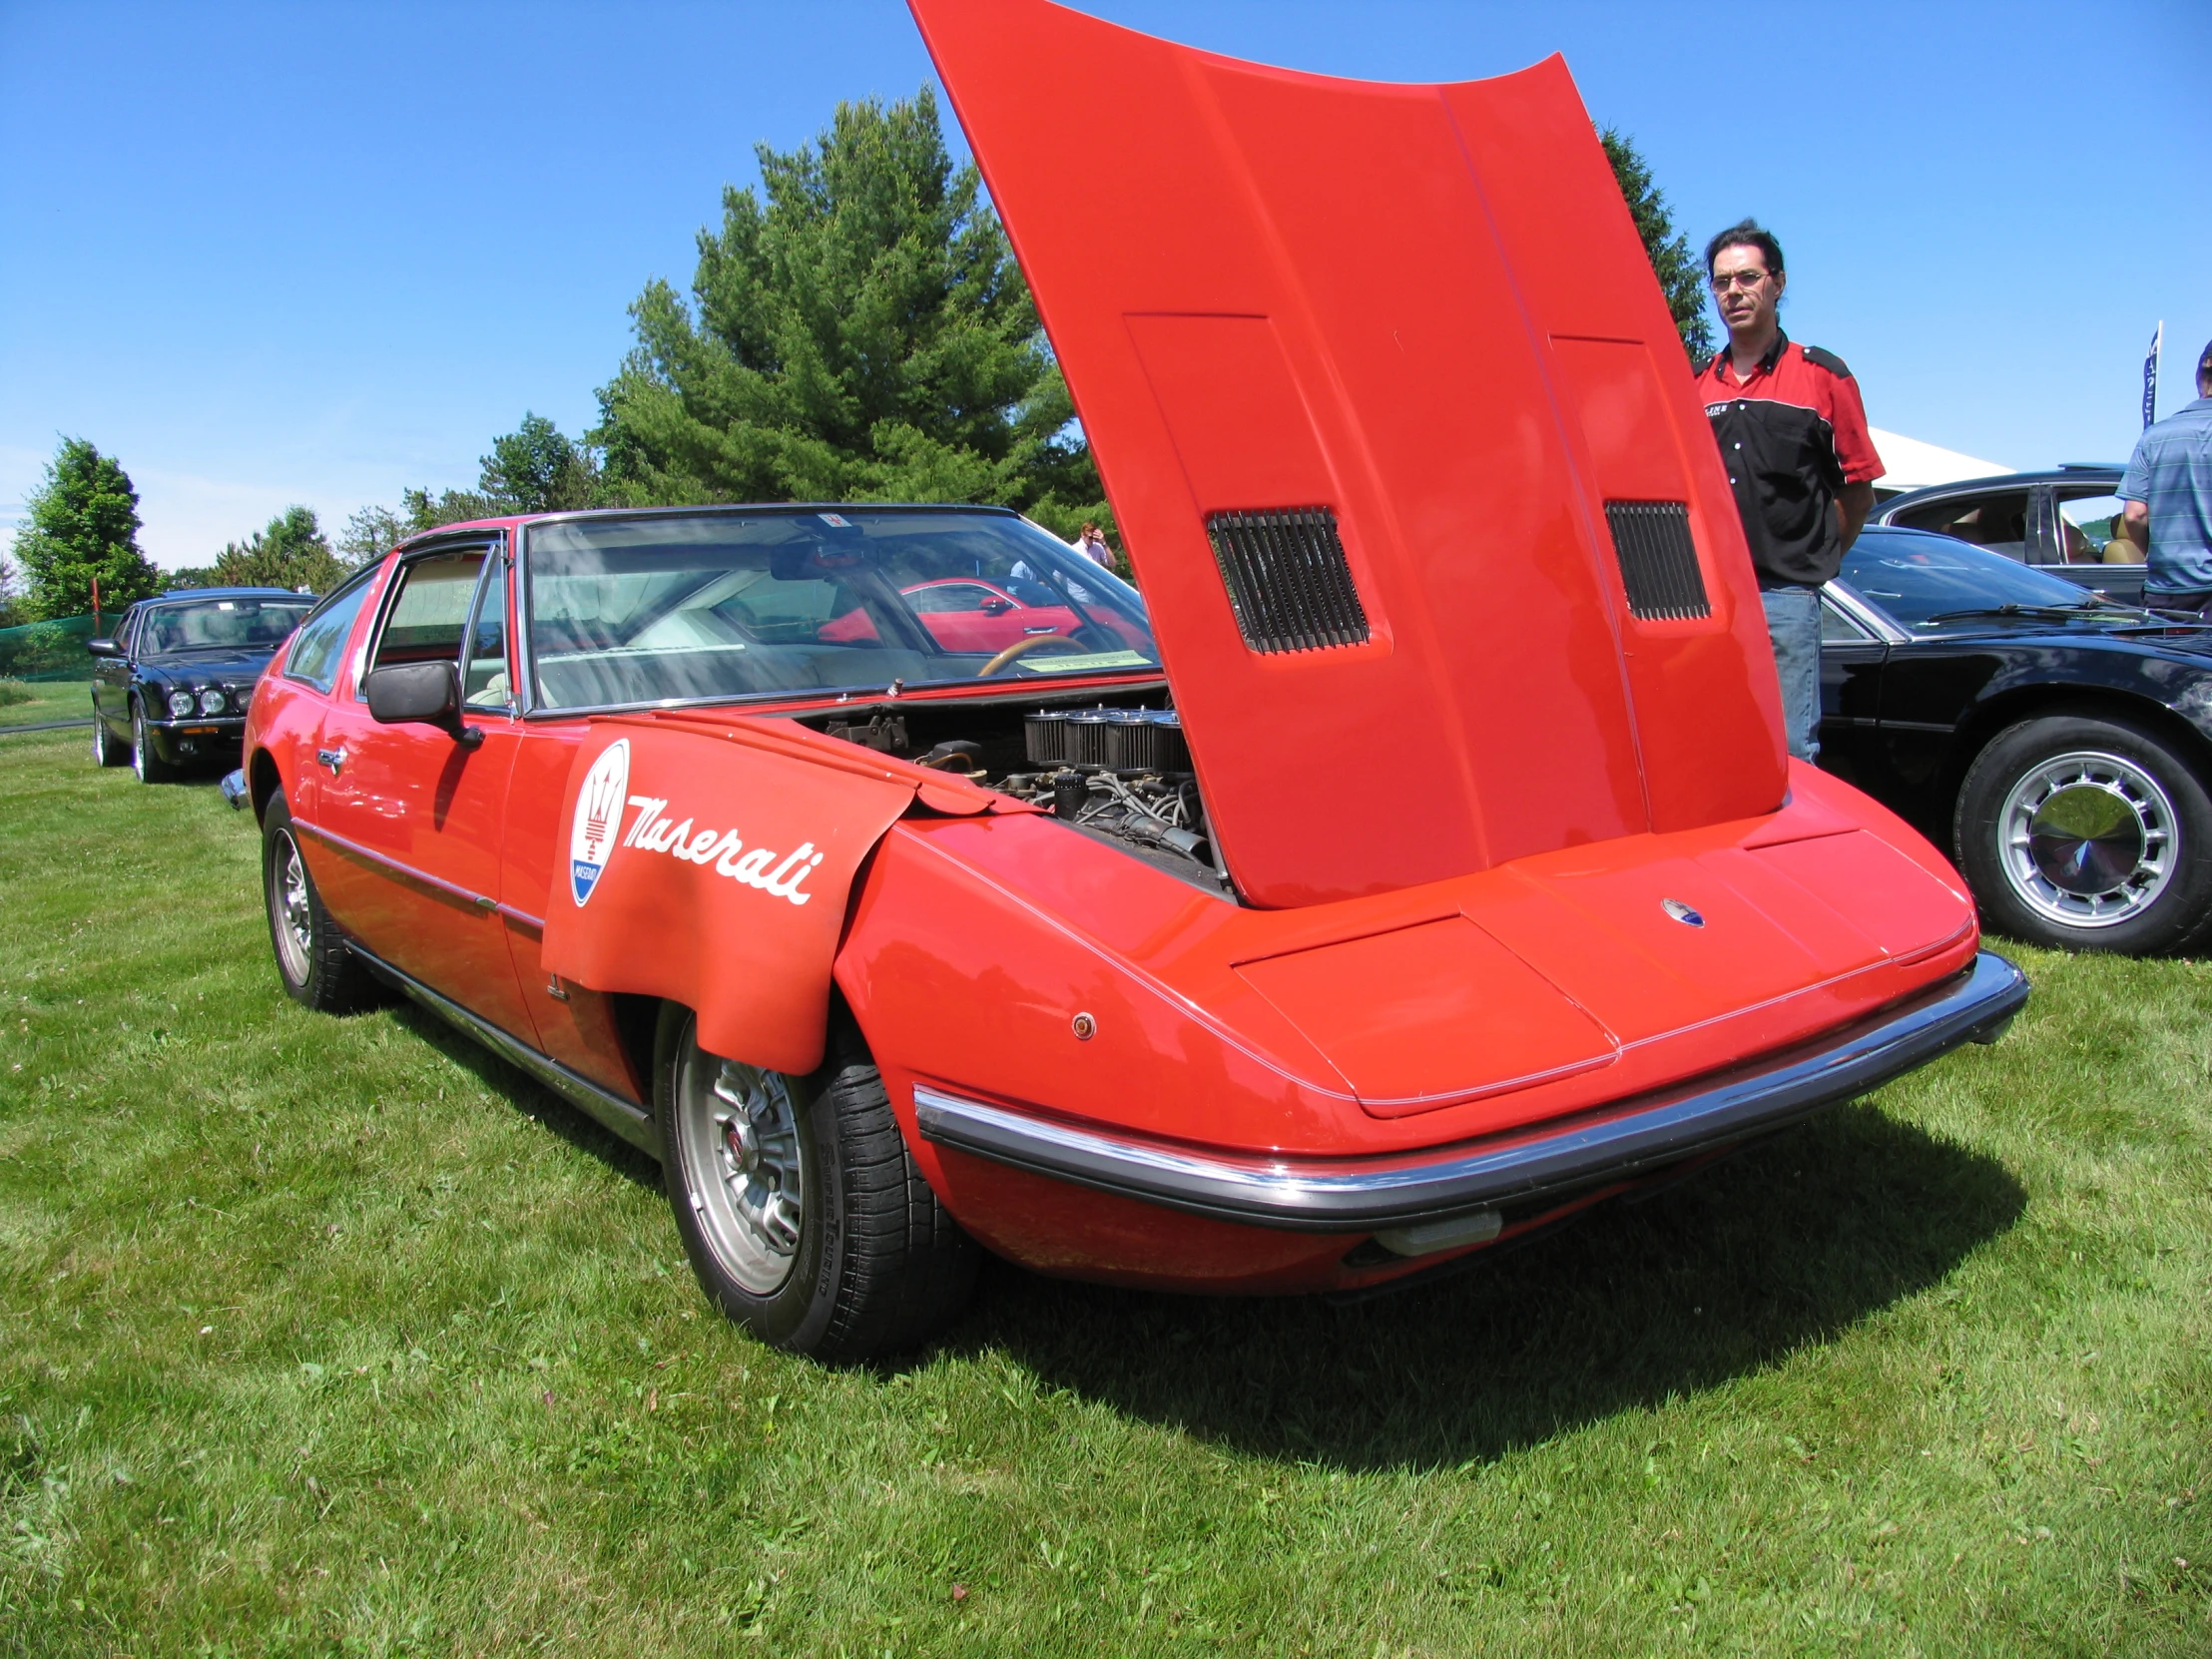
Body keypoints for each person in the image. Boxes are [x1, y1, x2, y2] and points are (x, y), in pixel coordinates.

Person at [1693, 220, 1885, 763]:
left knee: (1789, 753)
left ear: (1776, 283)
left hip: (1786, 599)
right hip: (1709, 603)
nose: (1734, 291)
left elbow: (1858, 493)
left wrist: (1809, 564)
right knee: (1715, 746)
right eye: (1722, 281)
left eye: (1747, 278)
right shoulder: (1694, 386)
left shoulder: (1823, 377)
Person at [2120, 339, 2212, 614]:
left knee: (2169, 659)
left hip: (2168, 593)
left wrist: (2155, 556)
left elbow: (2134, 515)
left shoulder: (2154, 437)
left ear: (2199, 379)